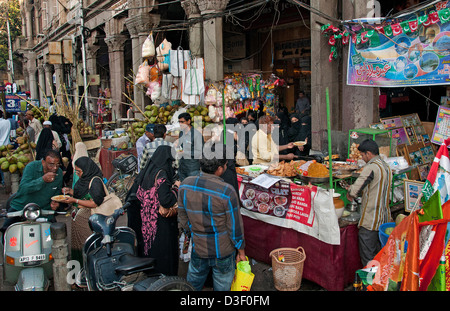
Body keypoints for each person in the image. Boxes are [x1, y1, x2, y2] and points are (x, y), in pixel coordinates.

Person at [178, 148, 246, 291]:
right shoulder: (227, 191)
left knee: (193, 284)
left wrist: (194, 231)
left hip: (199, 247)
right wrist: (241, 252)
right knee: (222, 286)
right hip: (223, 251)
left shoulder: (185, 184)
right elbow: (235, 228)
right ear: (220, 169)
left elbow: (183, 218)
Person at [127, 145, 179, 275]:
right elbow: (166, 200)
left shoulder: (149, 170)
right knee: (162, 248)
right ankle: (163, 276)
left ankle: (150, 271)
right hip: (159, 220)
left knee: (149, 245)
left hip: (146, 217)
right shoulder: (162, 173)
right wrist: (176, 189)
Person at [346, 139, 392, 267]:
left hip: (371, 222)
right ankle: (380, 284)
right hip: (384, 219)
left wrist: (350, 192)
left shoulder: (371, 167)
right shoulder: (386, 166)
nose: (362, 158)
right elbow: (374, 185)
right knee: (380, 255)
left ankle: (369, 285)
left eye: (362, 155)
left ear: (368, 153)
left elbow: (355, 189)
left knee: (368, 258)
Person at [1, 150, 62, 234]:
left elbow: (57, 192)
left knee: (57, 234)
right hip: (22, 206)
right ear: (43, 162)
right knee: (6, 230)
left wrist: (55, 203)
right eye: (51, 164)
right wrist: (42, 180)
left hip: (44, 210)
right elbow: (23, 188)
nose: (55, 168)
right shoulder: (31, 167)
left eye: (57, 164)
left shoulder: (59, 173)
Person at [62, 156, 107, 264]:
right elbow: (81, 193)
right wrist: (70, 191)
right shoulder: (84, 179)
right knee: (78, 244)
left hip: (87, 219)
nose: (78, 174)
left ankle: (89, 270)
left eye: (79, 171)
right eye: (76, 172)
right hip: (78, 218)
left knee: (87, 244)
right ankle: (79, 270)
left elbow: (94, 202)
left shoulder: (95, 182)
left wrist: (75, 201)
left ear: (86, 169)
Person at [176, 112, 204, 181]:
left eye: (182, 122)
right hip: (182, 167)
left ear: (188, 121)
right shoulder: (181, 133)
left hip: (192, 168)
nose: (180, 124)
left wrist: (185, 152)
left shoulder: (196, 135)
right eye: (179, 122)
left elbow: (200, 152)